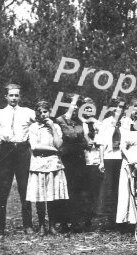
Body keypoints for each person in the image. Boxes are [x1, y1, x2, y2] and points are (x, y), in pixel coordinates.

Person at [0, 84, 36, 236]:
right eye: (11, 95)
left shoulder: (28, 112)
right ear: (6, 97)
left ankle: (28, 225)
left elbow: (38, 126)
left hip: (22, 151)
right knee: (2, 189)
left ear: (20, 97)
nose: (14, 98)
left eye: (16, 95)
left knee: (25, 188)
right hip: (5, 151)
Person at [26, 100, 69, 236]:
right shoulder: (33, 127)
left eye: (45, 111)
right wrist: (54, 150)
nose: (43, 114)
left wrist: (53, 129)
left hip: (53, 164)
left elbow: (59, 143)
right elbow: (35, 147)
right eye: (40, 112)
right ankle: (42, 226)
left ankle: (51, 225)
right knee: (40, 197)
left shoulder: (55, 126)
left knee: (52, 196)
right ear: (37, 113)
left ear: (49, 112)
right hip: (39, 163)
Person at [56, 95, 87, 232]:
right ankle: (63, 222)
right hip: (65, 158)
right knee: (65, 189)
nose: (75, 107)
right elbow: (71, 135)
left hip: (79, 158)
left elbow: (83, 140)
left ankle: (76, 221)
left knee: (77, 189)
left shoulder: (79, 121)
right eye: (72, 105)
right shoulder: (59, 121)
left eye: (76, 105)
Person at [98, 97, 130, 228]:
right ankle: (109, 218)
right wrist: (101, 161)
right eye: (117, 107)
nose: (119, 110)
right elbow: (100, 143)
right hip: (109, 157)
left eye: (122, 107)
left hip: (123, 157)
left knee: (121, 187)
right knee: (109, 188)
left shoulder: (127, 122)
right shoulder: (105, 122)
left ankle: (121, 218)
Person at [116, 100, 137, 225]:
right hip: (129, 161)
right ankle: (127, 218)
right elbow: (122, 147)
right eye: (135, 112)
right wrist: (130, 160)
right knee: (128, 188)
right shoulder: (126, 127)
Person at [80, 98, 105, 228]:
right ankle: (84, 217)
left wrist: (101, 161)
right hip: (83, 158)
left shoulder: (98, 124)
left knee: (95, 187)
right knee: (84, 189)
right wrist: (85, 142)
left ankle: (95, 216)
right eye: (86, 107)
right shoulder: (79, 123)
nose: (88, 110)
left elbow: (102, 142)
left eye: (91, 108)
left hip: (95, 158)